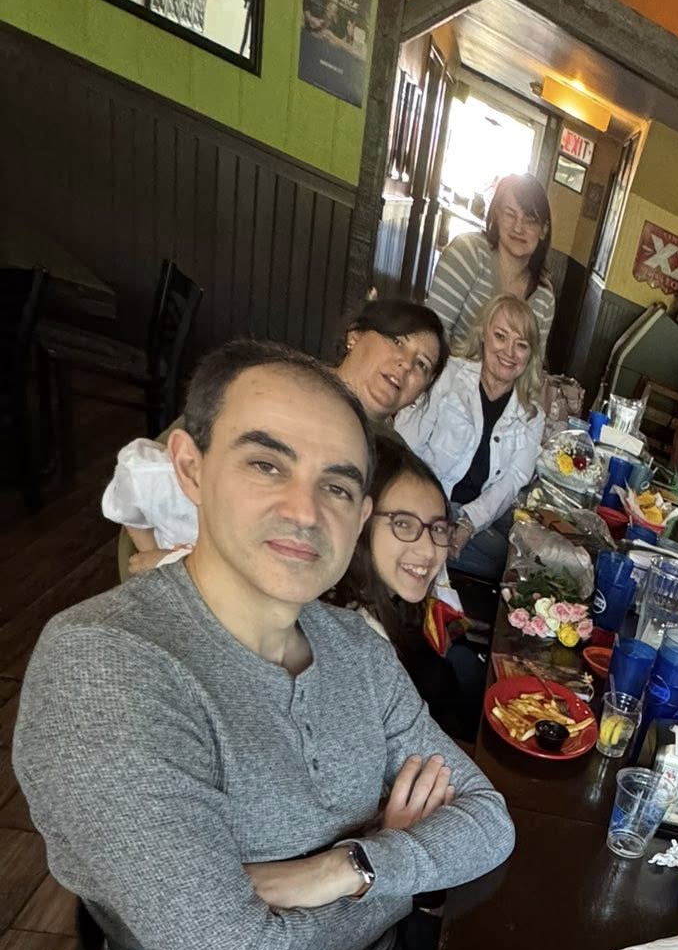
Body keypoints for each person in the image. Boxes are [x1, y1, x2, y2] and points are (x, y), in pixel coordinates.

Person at [15, 339, 515, 950]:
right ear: (190, 467)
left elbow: (489, 817)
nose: (305, 510)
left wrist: (346, 867)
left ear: (360, 514)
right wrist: (400, 868)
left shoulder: (353, 644)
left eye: (338, 486)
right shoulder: (111, 670)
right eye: (266, 463)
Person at [104, 298, 448, 574]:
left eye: (422, 364)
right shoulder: (276, 386)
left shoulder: (394, 456)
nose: (405, 363)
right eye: (397, 341)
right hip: (166, 551)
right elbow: (148, 478)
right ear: (354, 337)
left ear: (420, 392)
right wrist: (171, 565)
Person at [332, 434, 484, 740]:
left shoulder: (394, 600)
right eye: (403, 523)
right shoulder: (351, 640)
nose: (428, 550)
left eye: (437, 528)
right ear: (360, 519)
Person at [393, 293, 545, 584]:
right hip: (420, 499)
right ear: (484, 335)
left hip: (471, 517)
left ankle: (427, 560)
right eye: (500, 336)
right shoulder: (447, 375)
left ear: (530, 355)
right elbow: (406, 444)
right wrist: (426, 510)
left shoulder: (532, 416)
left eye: (521, 344)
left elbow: (512, 481)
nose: (509, 352)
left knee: (514, 564)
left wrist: (467, 524)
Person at [427, 174, 557, 357]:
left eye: (530, 220)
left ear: (544, 229)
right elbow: (430, 335)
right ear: (496, 216)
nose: (518, 228)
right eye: (510, 214)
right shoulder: (468, 252)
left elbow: (533, 364)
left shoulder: (544, 297)